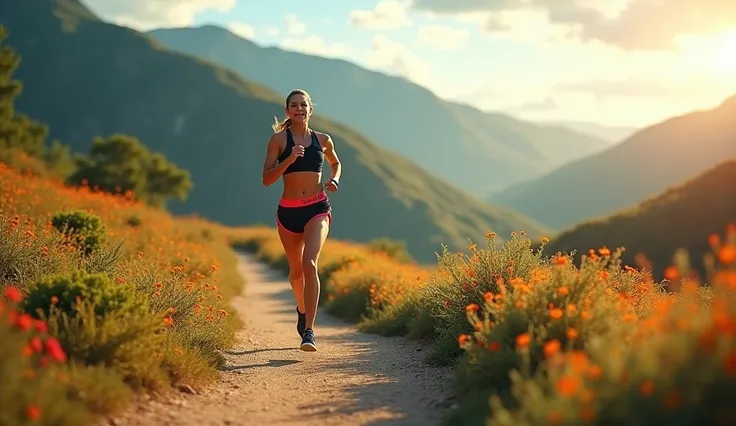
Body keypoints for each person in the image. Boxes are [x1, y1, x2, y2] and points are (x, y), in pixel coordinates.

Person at [261, 89, 342, 352]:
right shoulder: (278, 140)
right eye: (293, 105)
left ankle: (309, 331)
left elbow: (336, 163)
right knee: (296, 272)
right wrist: (289, 160)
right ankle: (302, 308)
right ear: (287, 111)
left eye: (303, 105)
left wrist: (334, 179)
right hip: (288, 211)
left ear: (310, 110)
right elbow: (266, 179)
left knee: (310, 262)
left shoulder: (323, 139)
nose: (299, 109)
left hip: (317, 208)